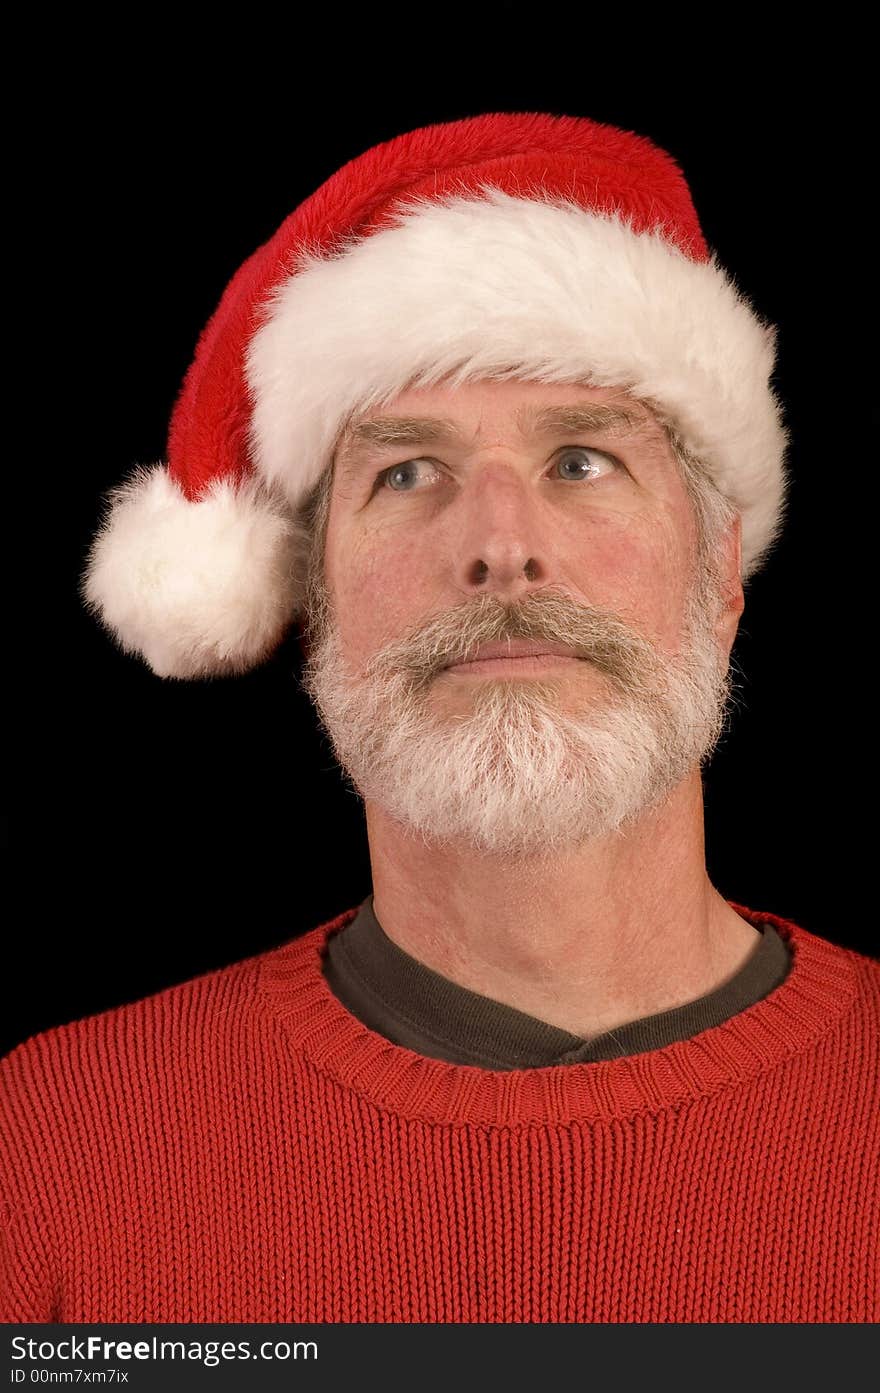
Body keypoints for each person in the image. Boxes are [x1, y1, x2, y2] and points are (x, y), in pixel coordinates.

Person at [1, 111, 877, 1325]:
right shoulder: (52, 1150)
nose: (503, 549)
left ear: (718, 570)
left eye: (583, 460)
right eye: (408, 472)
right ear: (309, 592)